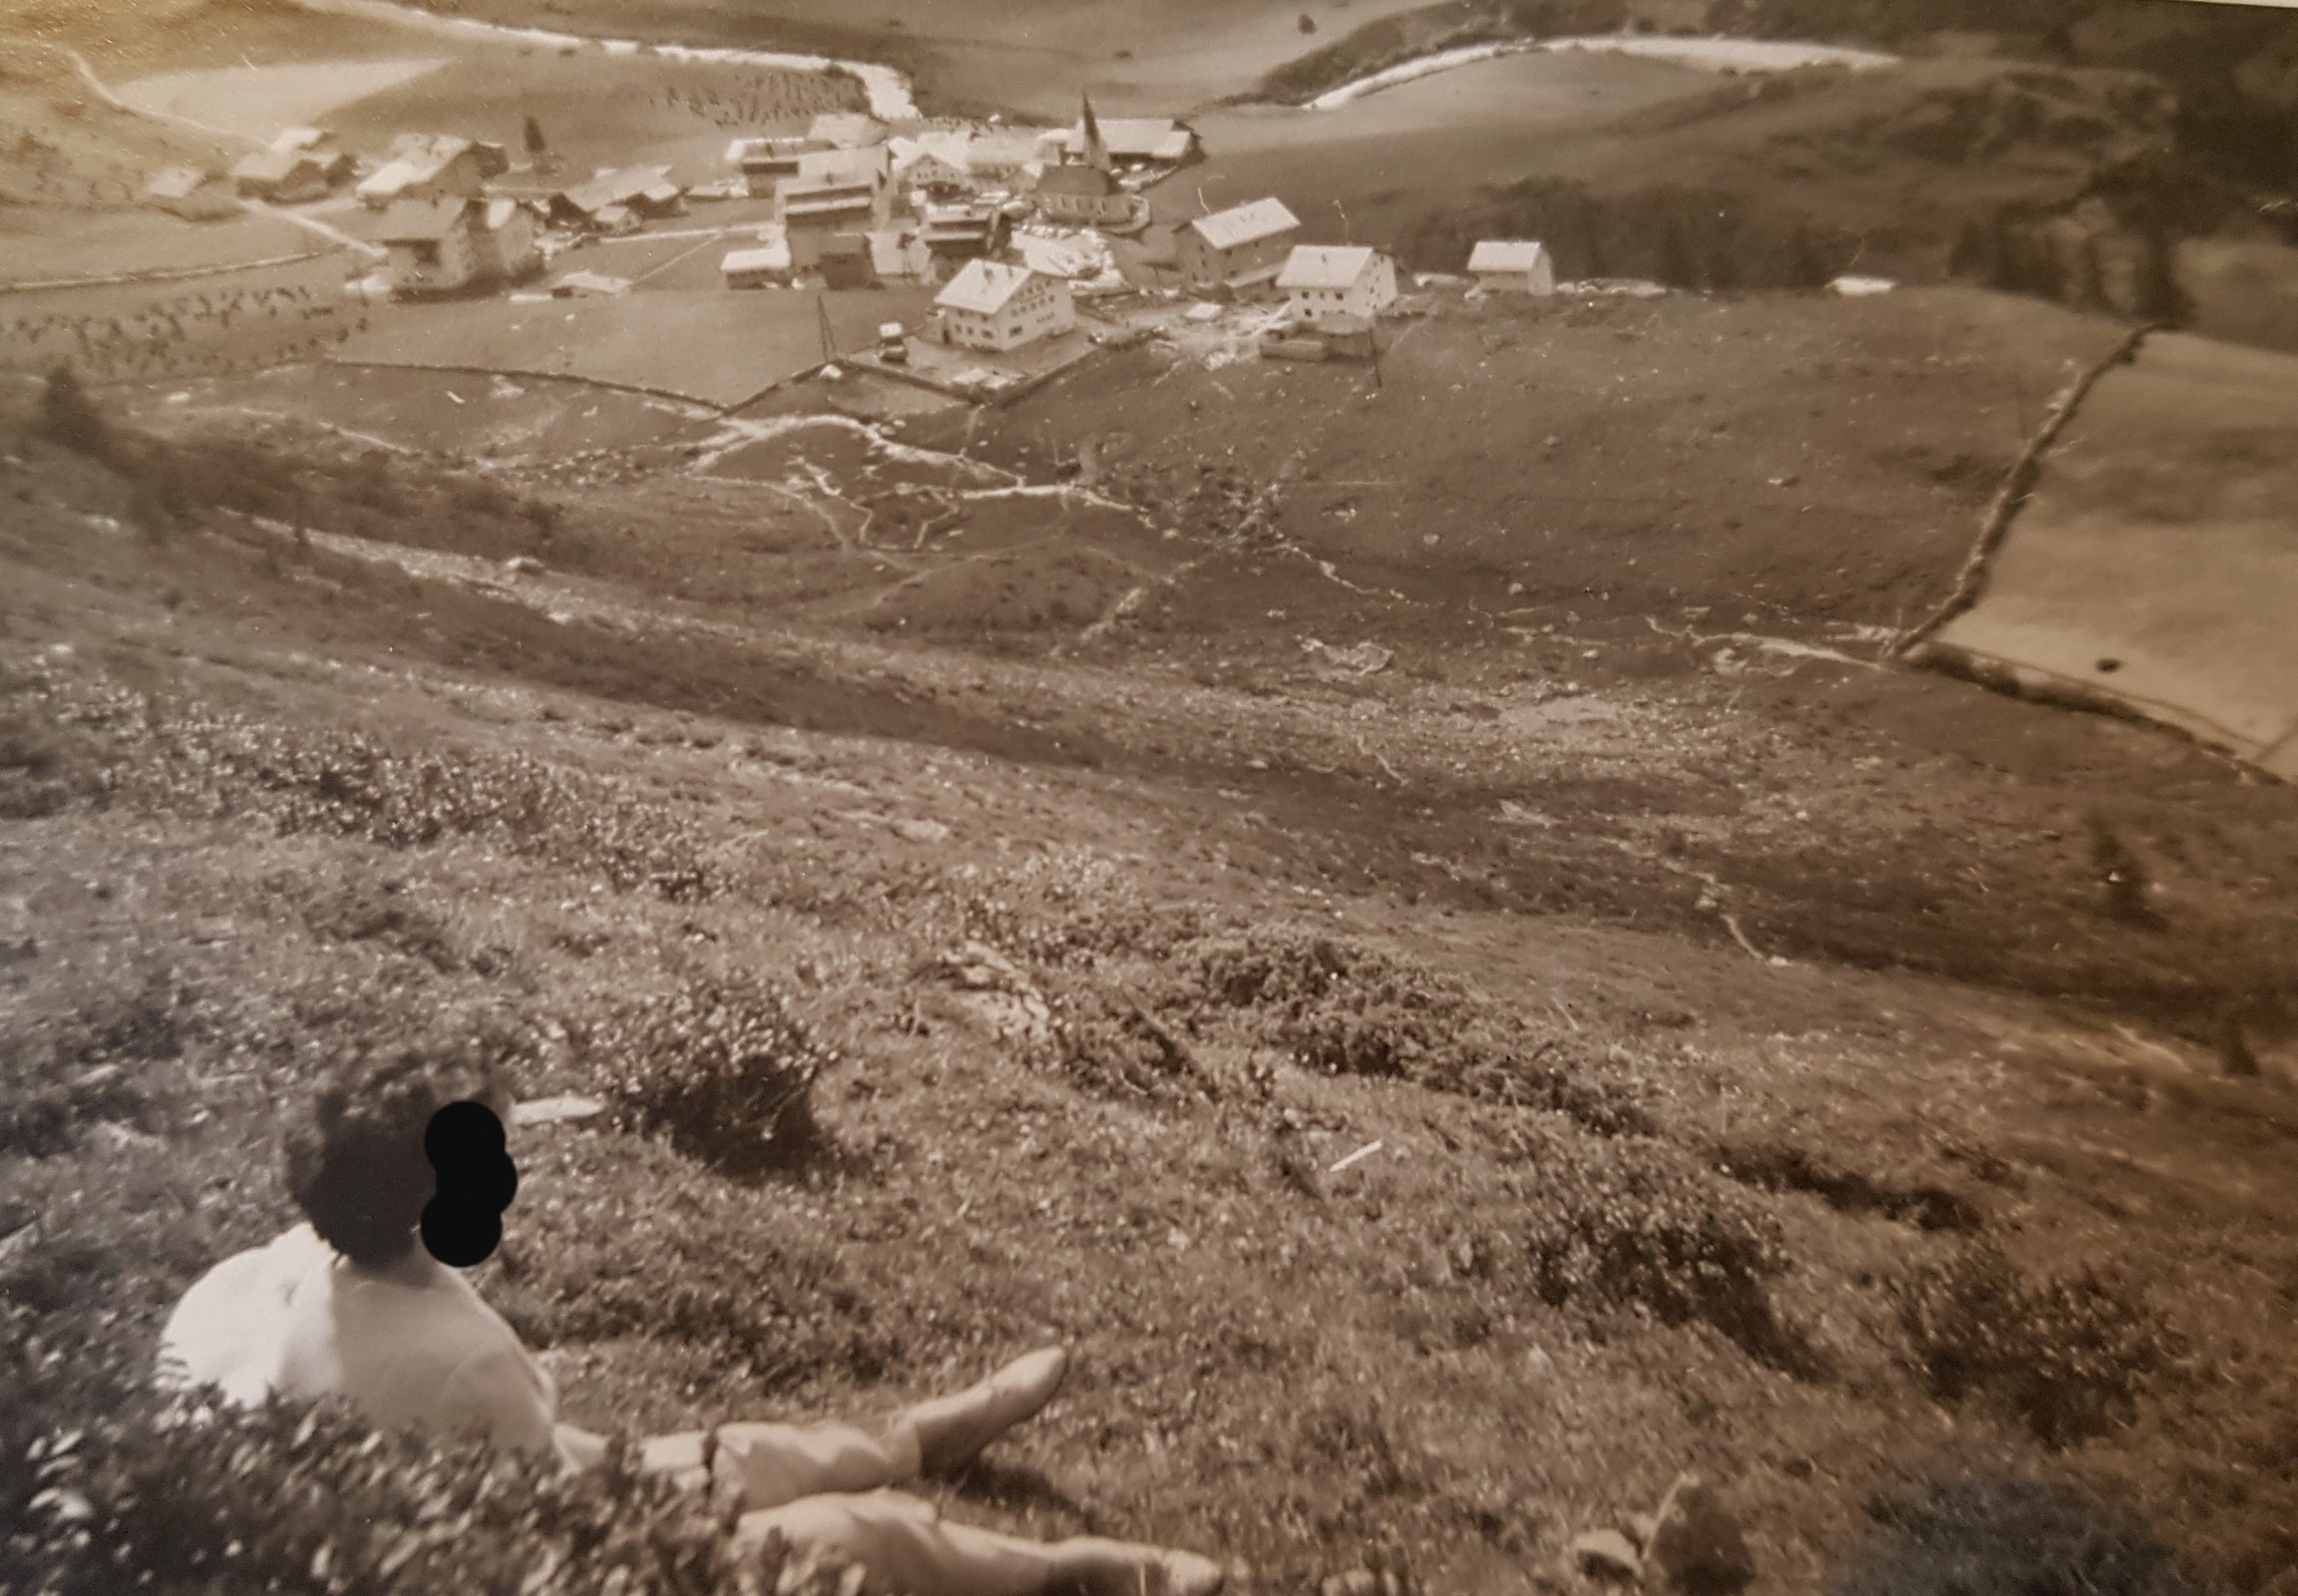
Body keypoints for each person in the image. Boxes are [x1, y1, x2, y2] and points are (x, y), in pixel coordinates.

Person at [157, 1050, 1226, 1596]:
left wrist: (691, 1467)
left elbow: (539, 1463)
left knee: (742, 1453)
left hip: (436, 1514)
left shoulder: (248, 1276)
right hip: (498, 1568)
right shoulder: (459, 1360)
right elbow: (565, 1535)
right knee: (860, 1533)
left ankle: (919, 1432)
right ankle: (1077, 1572)